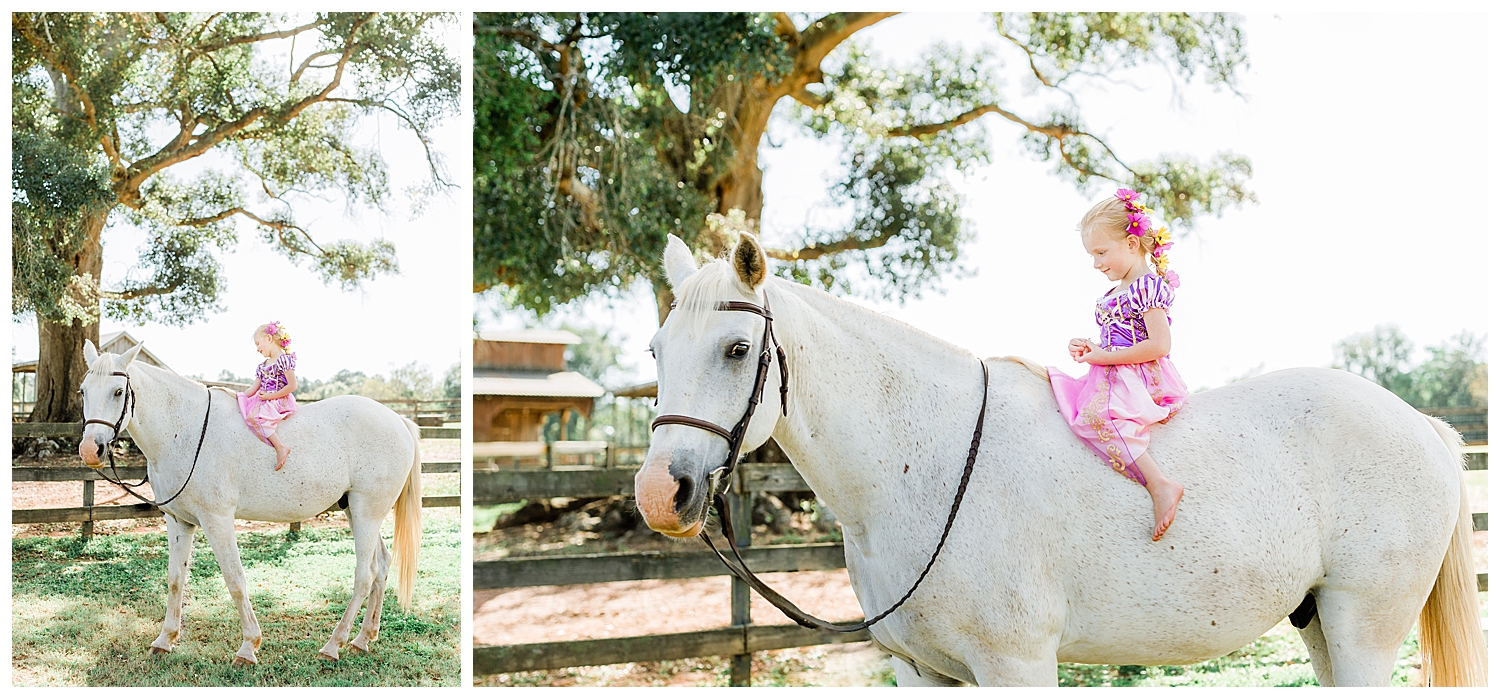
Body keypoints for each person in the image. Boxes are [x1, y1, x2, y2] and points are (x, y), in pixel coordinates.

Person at [1048, 189, 1187, 540]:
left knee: (1099, 415)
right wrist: (1088, 349)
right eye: (1092, 255)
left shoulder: (1147, 287)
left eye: (1100, 252)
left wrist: (1104, 356)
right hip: (1111, 370)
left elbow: (1159, 344)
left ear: (1130, 243)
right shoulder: (1113, 295)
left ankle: (1160, 484)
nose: (1096, 263)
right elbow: (1112, 340)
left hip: (1138, 375)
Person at [238, 321, 298, 470]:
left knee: (260, 417)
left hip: (277, 399)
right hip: (263, 399)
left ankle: (281, 447)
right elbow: (253, 388)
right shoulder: (261, 366)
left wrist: (271, 396)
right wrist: (238, 397)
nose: (257, 349)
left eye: (258, 343)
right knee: (248, 414)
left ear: (269, 339)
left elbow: (292, 386)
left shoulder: (283, 360)